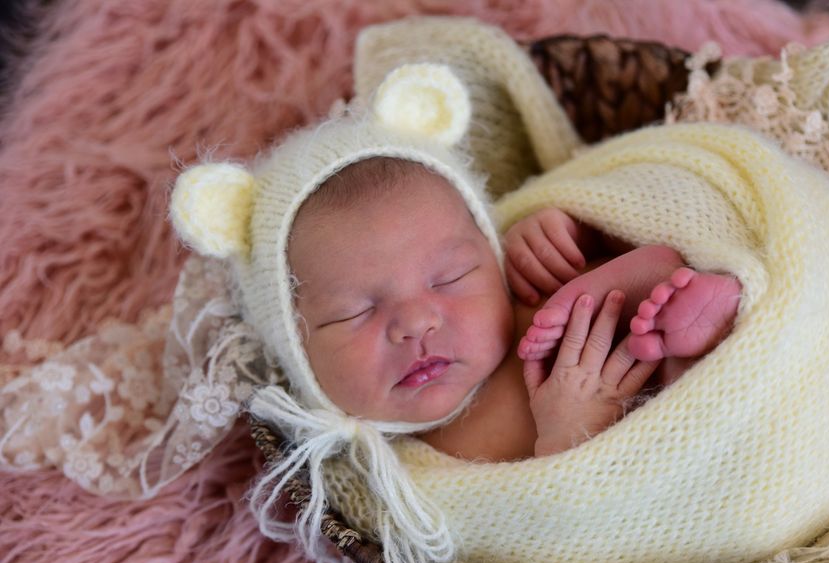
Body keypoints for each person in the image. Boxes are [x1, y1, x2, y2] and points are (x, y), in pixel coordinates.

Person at [286, 156, 741, 462]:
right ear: (294, 345)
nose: (417, 323)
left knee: (576, 294)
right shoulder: (402, 471)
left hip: (601, 319)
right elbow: (531, 528)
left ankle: (666, 293)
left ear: (490, 253)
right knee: (693, 417)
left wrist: (565, 234)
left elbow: (616, 197)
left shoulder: (519, 290)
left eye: (450, 277)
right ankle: (691, 345)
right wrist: (572, 440)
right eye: (353, 313)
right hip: (657, 440)